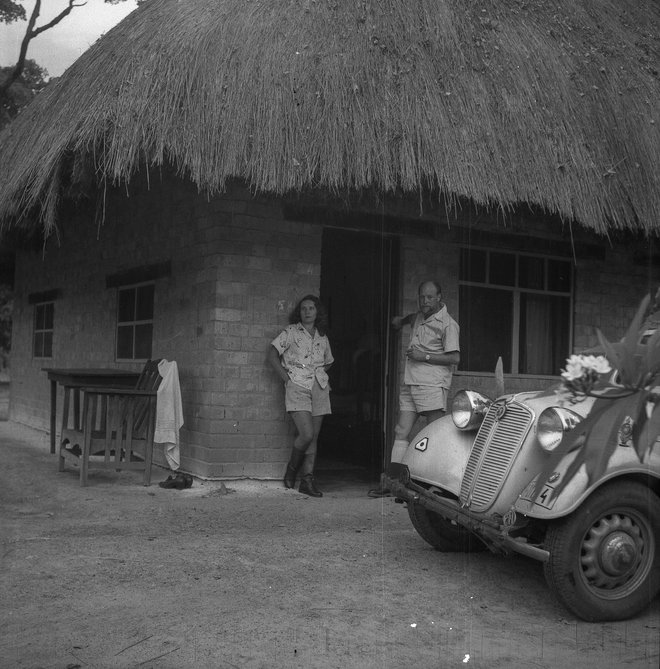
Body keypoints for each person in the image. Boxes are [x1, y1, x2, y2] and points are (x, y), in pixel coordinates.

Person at [368, 280, 460, 497]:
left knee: (435, 435)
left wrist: (424, 356)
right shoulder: (419, 316)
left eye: (429, 297)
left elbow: (455, 357)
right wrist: (400, 321)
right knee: (401, 432)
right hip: (410, 383)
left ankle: (436, 489)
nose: (425, 301)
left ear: (439, 297)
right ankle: (391, 483)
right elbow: (412, 318)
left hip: (432, 385)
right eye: (421, 297)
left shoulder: (448, 324)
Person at [268, 295, 334, 498]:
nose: (307, 311)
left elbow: (329, 360)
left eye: (311, 308)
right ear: (299, 312)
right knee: (306, 434)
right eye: (304, 308)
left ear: (317, 311)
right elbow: (272, 355)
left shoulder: (322, 336)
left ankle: (307, 480)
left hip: (320, 387)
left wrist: (319, 372)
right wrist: (287, 379)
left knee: (314, 436)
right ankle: (291, 470)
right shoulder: (291, 332)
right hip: (297, 385)